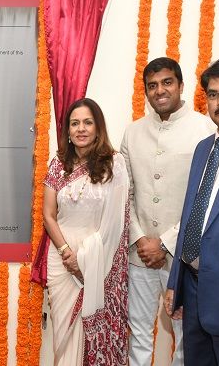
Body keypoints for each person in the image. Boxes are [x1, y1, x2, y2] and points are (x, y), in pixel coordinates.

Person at [120, 57, 214, 366]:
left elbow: (205, 197)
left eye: (167, 82)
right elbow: (125, 192)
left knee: (185, 336)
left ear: (181, 85)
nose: (160, 90)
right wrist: (140, 239)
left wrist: (164, 243)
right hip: (140, 255)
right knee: (139, 334)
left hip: (183, 257)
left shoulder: (205, 128)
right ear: (145, 91)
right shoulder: (132, 133)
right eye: (152, 85)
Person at [42, 98, 129, 365]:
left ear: (98, 127)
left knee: (92, 337)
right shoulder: (58, 164)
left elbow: (116, 222)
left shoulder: (114, 164)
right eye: (75, 123)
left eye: (88, 122)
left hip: (99, 260)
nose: (81, 129)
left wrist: (87, 262)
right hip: (61, 258)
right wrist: (67, 252)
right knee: (64, 336)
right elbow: (48, 214)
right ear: (67, 129)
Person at [165, 56, 219, 365]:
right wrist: (174, 282)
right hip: (194, 290)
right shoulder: (203, 149)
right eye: (213, 94)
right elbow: (191, 217)